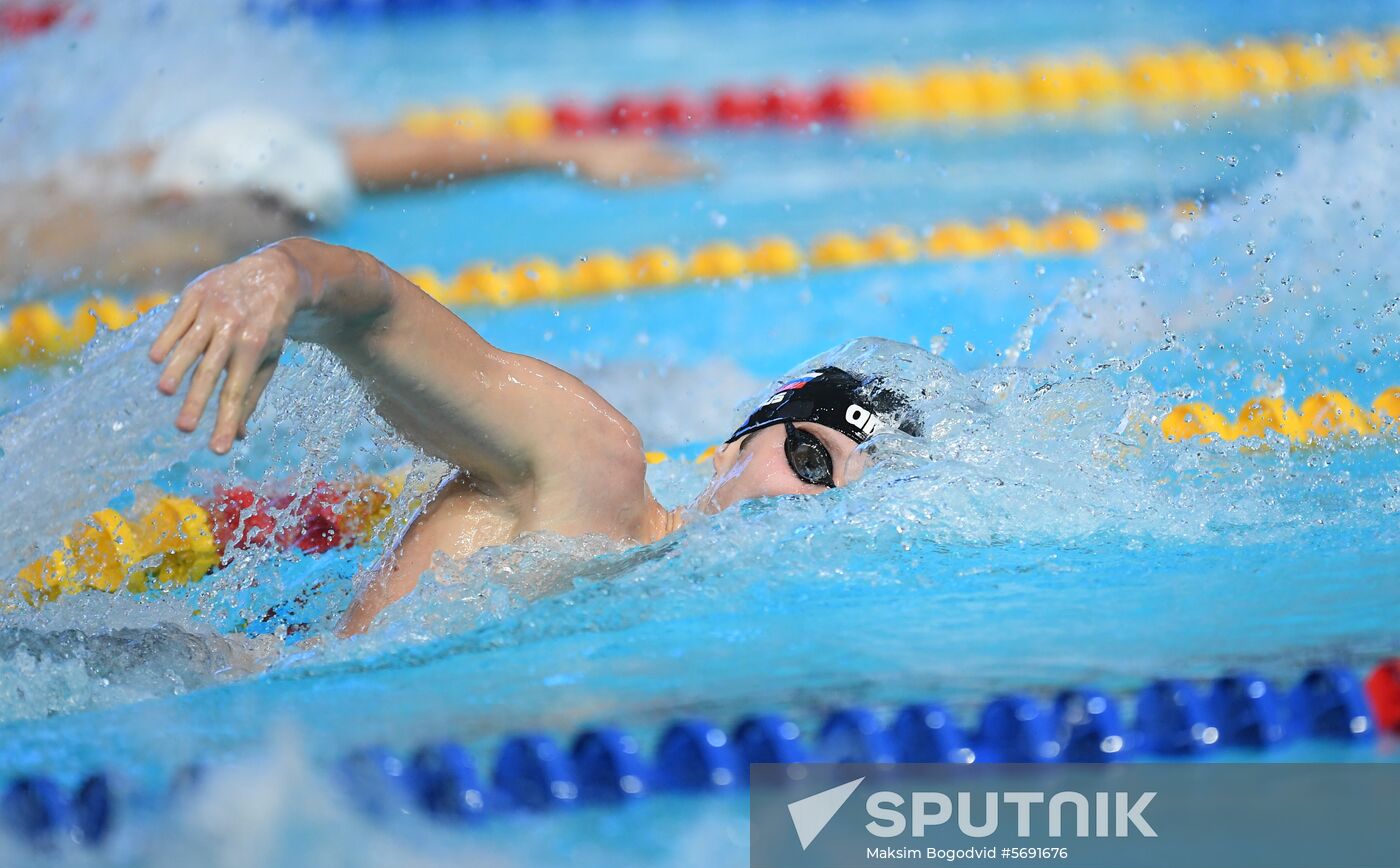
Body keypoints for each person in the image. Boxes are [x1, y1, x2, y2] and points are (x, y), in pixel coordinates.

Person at [149, 237, 919, 636]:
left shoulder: (701, 623)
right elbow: (374, 309)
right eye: (812, 459)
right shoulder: (592, 464)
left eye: (845, 503)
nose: (808, 507)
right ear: (732, 446)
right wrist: (284, 273)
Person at [2, 106, 700, 297]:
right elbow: (354, 153)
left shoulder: (92, 183)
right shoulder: (185, 226)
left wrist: (560, 153)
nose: (285, 233)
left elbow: (345, 154)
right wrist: (560, 153)